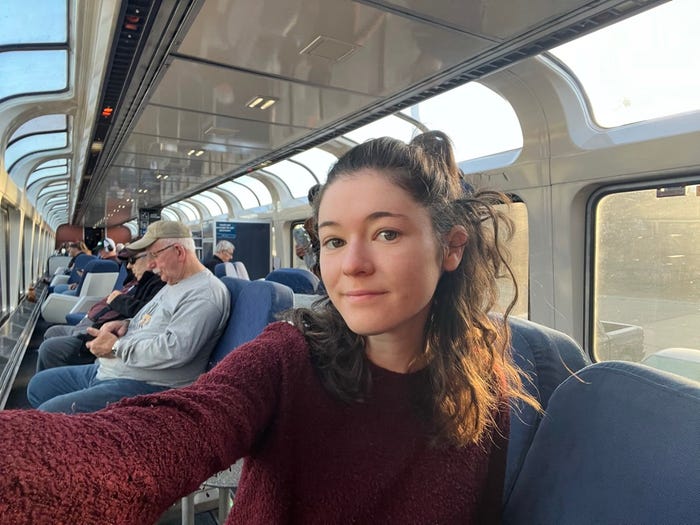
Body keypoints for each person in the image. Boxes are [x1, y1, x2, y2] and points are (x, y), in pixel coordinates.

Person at [0, 132, 537, 523]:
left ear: (451, 247)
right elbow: (168, 434)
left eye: (387, 234)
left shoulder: (490, 377)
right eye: (331, 241)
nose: (351, 265)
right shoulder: (288, 358)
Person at [26, 220, 230, 414]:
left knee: (46, 414)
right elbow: (146, 318)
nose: (150, 265)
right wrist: (123, 324)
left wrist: (114, 347)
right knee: (38, 386)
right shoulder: (172, 283)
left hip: (147, 385)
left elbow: (175, 350)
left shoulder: (205, 293)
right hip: (113, 370)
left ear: (178, 251)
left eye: (154, 255)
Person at [35, 251, 166, 371]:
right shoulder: (133, 282)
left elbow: (143, 314)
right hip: (91, 320)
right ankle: (58, 372)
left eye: (132, 260)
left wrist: (117, 300)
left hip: (101, 330)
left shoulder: (155, 286)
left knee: (49, 349)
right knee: (52, 332)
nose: (128, 267)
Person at [295, 183, 321, 277]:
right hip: (316, 271)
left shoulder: (338, 219)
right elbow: (306, 249)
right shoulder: (309, 223)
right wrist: (300, 252)